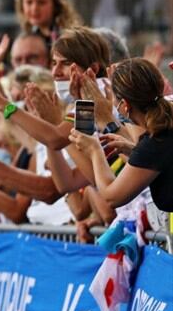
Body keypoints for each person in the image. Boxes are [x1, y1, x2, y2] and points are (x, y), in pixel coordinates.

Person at [69, 58, 173, 212]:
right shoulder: (158, 139)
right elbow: (158, 159)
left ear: (124, 105)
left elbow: (112, 197)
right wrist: (134, 150)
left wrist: (95, 151)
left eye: (114, 99)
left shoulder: (157, 141)